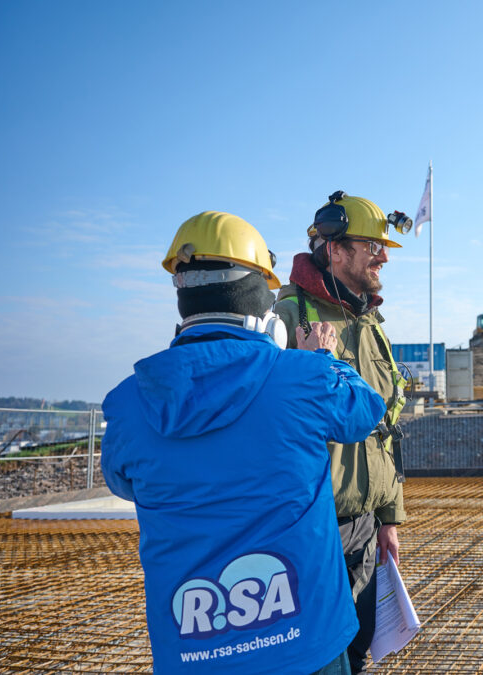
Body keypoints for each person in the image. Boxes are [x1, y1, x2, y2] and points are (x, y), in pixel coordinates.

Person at [101, 211, 386, 675]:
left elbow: (122, 480)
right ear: (258, 302)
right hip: (305, 642)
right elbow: (365, 409)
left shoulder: (131, 405)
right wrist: (323, 359)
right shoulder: (303, 378)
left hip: (194, 650)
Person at [273, 191, 409, 674]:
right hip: (312, 528)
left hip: (365, 528)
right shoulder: (289, 318)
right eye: (372, 247)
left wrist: (388, 516)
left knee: (357, 647)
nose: (384, 257)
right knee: (315, 657)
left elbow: (386, 429)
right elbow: (269, 425)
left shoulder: (369, 322)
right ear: (335, 250)